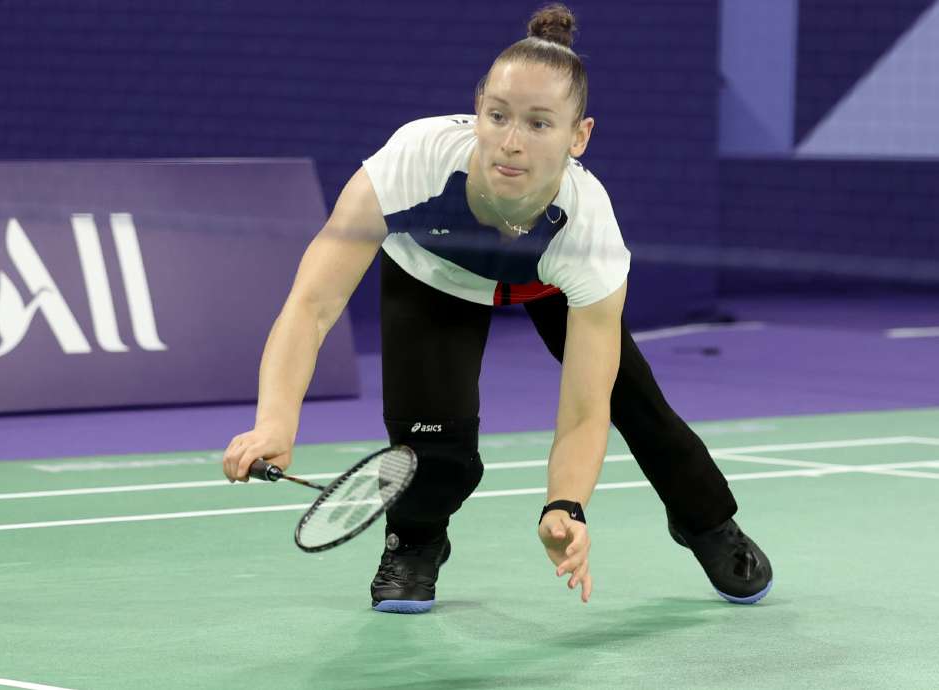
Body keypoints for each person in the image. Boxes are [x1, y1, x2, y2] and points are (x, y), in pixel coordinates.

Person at [223, 3, 771, 613]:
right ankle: (415, 541)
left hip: (546, 282)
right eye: (498, 115)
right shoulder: (412, 162)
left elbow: (584, 409)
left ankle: (707, 523)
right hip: (434, 272)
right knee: (431, 450)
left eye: (539, 124)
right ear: (477, 109)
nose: (511, 142)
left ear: (579, 136)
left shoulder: (588, 229)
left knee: (639, 407)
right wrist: (274, 421)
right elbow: (312, 305)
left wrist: (565, 506)